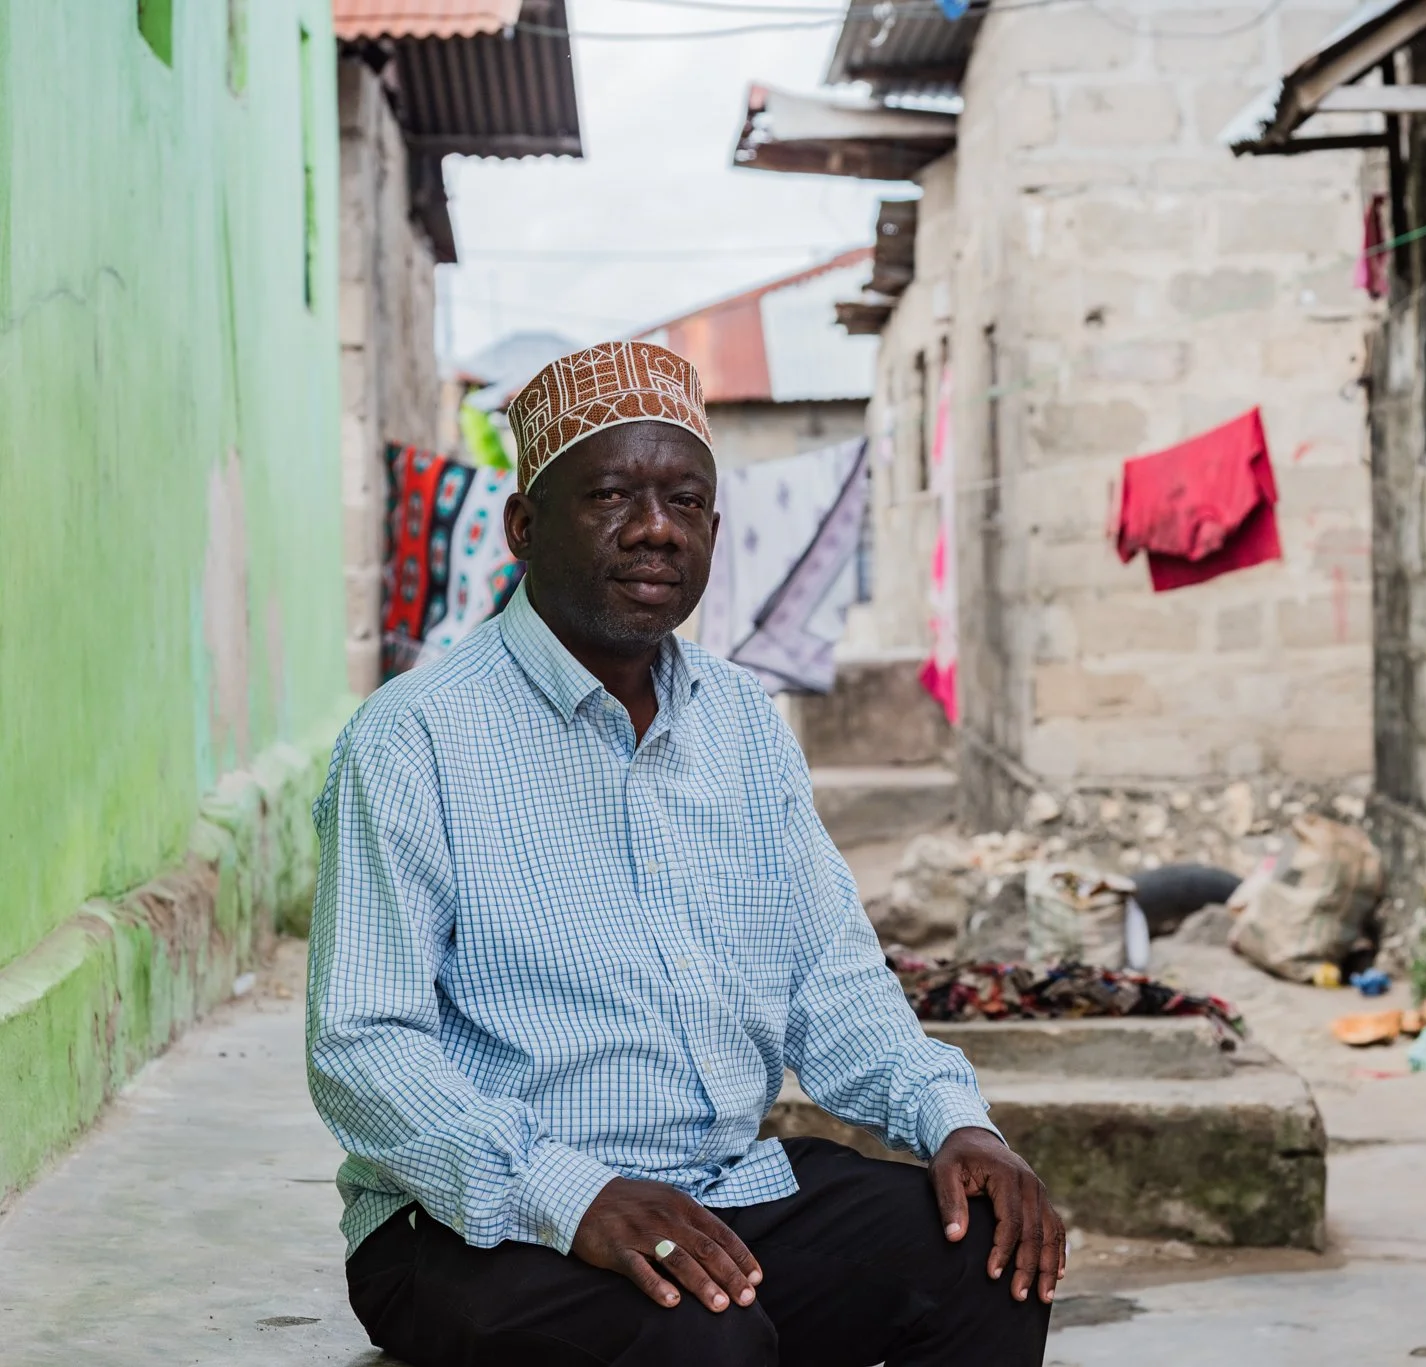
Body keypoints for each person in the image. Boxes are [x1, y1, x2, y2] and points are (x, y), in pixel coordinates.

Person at [308, 340, 1061, 1367]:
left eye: (684, 499)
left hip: (713, 1189)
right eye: (611, 494)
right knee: (703, 1339)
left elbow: (831, 979)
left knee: (986, 1256)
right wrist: (571, 1196)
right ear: (523, 526)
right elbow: (364, 1046)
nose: (654, 528)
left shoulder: (741, 722)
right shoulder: (414, 738)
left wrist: (956, 1122)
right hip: (467, 1221)